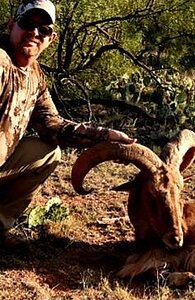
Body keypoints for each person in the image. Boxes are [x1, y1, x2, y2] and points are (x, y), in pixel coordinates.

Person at [0, 0, 136, 245]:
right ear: (11, 26)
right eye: (27, 24)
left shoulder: (35, 76)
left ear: (51, 39)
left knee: (48, 152)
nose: (34, 32)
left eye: (43, 29)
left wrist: (106, 136)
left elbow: (55, 127)